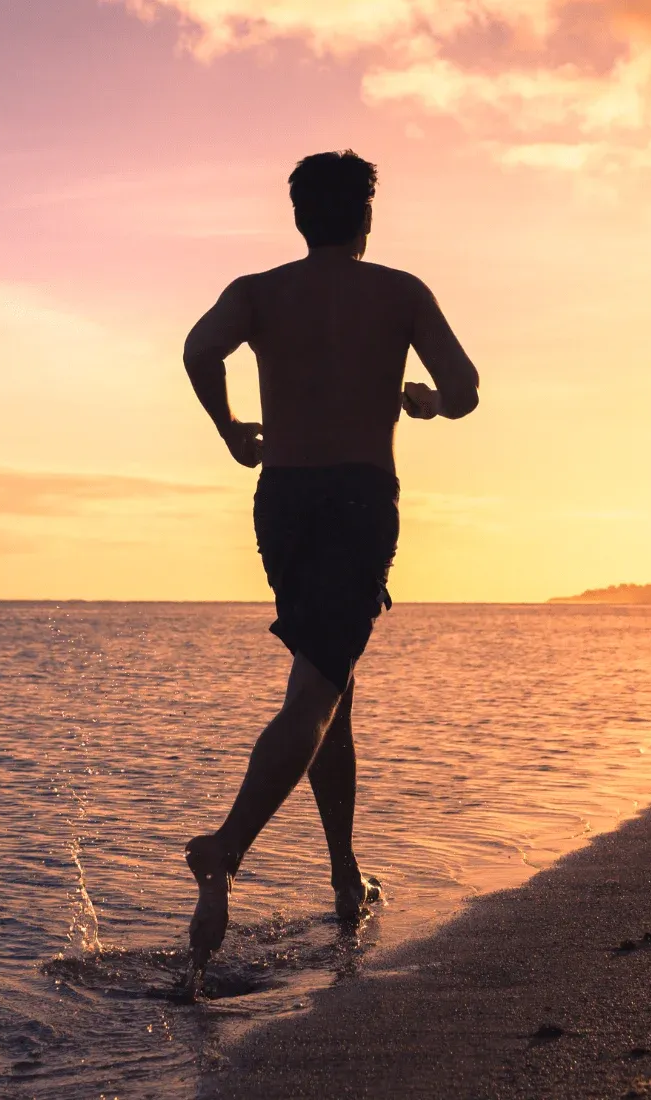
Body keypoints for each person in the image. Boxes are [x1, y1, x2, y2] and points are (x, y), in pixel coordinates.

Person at [179, 150, 481, 980]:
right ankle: (227, 850)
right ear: (366, 218)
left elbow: (199, 351)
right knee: (319, 690)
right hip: (355, 501)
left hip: (281, 503)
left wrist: (232, 429)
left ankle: (346, 878)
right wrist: (425, 401)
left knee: (329, 684)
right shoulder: (399, 291)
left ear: (300, 216)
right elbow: (464, 387)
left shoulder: (258, 292)